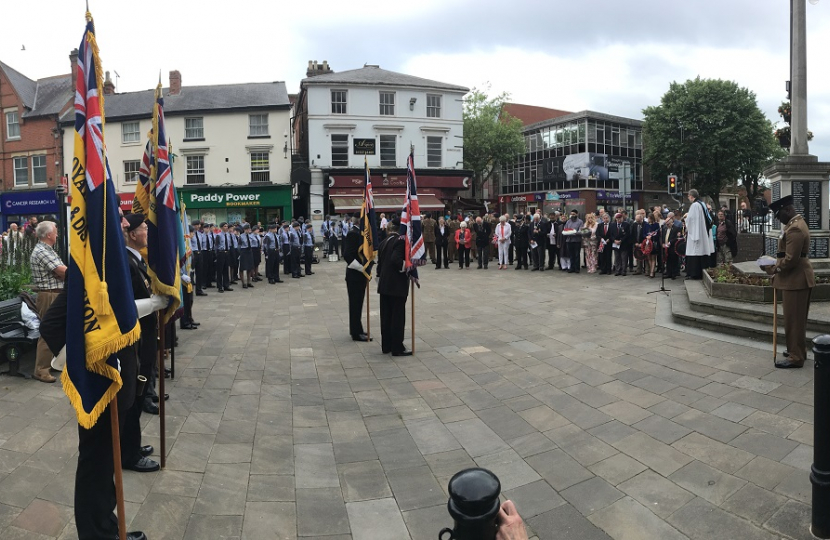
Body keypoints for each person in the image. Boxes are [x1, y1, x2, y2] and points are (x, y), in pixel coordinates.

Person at [764, 195, 814, 369]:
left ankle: (796, 356)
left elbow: (791, 260)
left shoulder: (795, 229)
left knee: (794, 321)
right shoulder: (793, 225)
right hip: (795, 279)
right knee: (795, 320)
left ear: (788, 210)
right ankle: (797, 350)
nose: (778, 219)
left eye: (779, 215)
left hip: (796, 280)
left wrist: (774, 269)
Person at [30, 221, 67, 383]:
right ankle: (41, 370)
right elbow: (62, 271)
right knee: (48, 330)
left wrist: (62, 273)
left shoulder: (47, 250)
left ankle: (52, 364)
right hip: (49, 295)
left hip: (54, 293)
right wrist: (62, 273)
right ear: (49, 235)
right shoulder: (42, 251)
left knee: (55, 329)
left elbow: (62, 271)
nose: (57, 234)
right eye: (56, 231)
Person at [377, 219, 411, 356]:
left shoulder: (384, 241)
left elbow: (380, 264)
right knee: (397, 317)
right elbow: (395, 259)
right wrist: (408, 267)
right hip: (396, 285)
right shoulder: (400, 241)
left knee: (386, 317)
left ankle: (387, 345)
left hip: (384, 284)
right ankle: (397, 347)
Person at [343, 217, 370, 342]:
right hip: (354, 274)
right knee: (355, 304)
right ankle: (355, 333)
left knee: (359, 304)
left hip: (360, 275)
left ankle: (358, 329)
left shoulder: (361, 233)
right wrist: (361, 268)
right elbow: (347, 254)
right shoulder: (352, 233)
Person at [684, 189, 715, 280]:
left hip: (697, 235)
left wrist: (686, 218)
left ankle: (694, 273)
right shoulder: (702, 204)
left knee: (695, 252)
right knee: (701, 253)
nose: (688, 198)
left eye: (689, 196)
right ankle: (700, 273)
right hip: (703, 232)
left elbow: (692, 220)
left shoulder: (695, 205)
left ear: (692, 196)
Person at [661, 212, 682, 279]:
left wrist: (670, 242)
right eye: (666, 224)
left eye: (668, 224)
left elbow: (676, 238)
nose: (667, 225)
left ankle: (674, 273)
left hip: (672, 247)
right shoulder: (664, 229)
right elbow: (663, 237)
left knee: (674, 260)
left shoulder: (676, 228)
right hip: (666, 247)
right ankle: (668, 272)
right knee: (668, 260)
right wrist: (663, 243)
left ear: (671, 222)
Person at [642, 213, 661, 278]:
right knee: (648, 257)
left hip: (654, 243)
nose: (648, 220)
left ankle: (652, 272)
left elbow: (658, 234)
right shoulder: (646, 225)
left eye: (649, 218)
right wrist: (646, 236)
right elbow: (643, 233)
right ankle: (651, 270)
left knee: (653, 258)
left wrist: (652, 236)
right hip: (647, 242)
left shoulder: (656, 225)